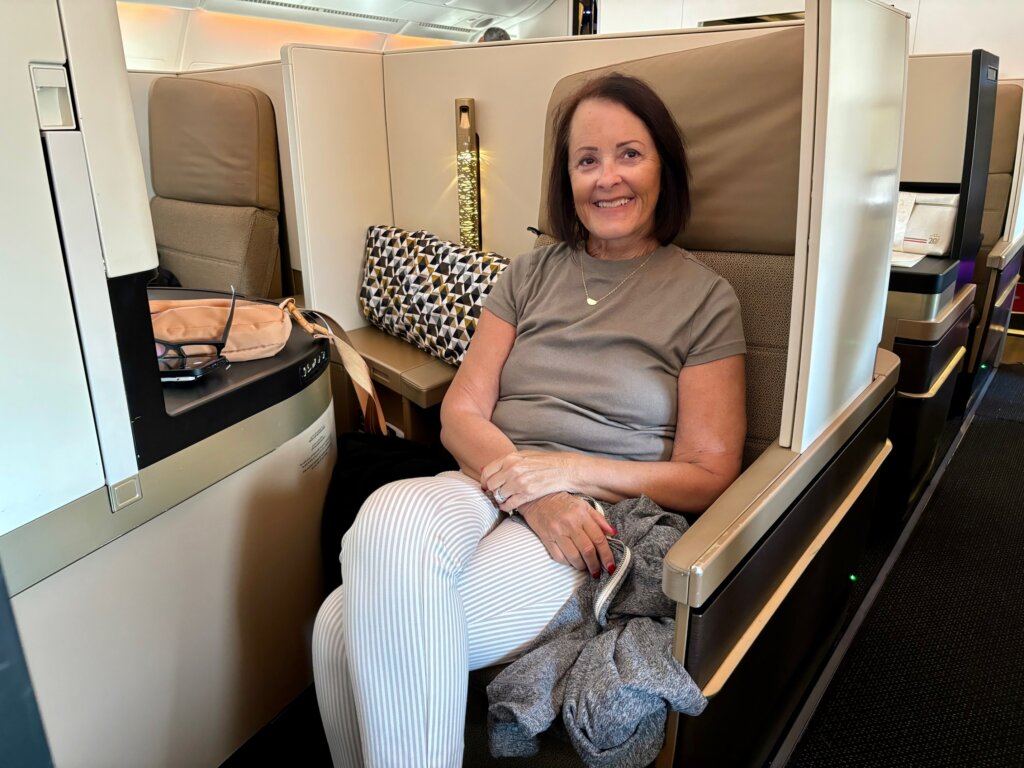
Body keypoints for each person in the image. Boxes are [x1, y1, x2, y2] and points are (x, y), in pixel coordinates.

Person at [312, 72, 746, 767]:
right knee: (389, 516)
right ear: (567, 177)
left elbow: (709, 474)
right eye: (586, 159)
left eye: (629, 154)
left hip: (592, 521)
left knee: (337, 628)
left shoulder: (704, 298)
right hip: (491, 481)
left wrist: (569, 476)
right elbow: (461, 412)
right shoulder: (529, 273)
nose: (607, 178)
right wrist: (533, 491)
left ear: (664, 165)